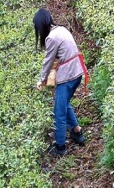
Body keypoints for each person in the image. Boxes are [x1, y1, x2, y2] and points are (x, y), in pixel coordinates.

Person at [34, 8, 88, 157]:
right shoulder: (61, 29)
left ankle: (60, 146)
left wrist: (42, 79)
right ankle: (77, 131)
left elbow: (48, 60)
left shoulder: (51, 37)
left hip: (68, 75)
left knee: (59, 111)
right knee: (63, 103)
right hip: (77, 72)